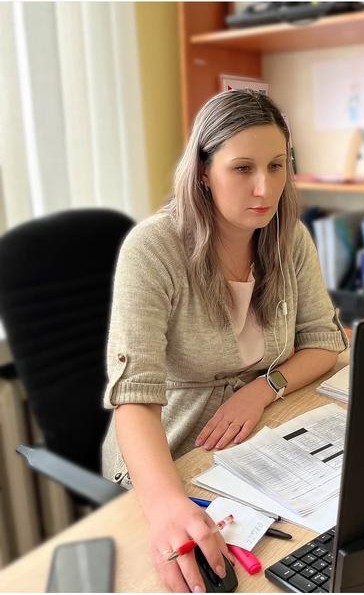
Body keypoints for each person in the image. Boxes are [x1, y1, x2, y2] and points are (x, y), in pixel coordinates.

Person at [101, 89, 348, 592]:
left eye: (276, 166)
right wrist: (167, 506)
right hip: (175, 452)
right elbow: (135, 398)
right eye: (242, 168)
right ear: (203, 172)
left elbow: (325, 342)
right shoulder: (153, 249)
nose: (265, 188)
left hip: (260, 440)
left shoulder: (288, 237)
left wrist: (262, 390)